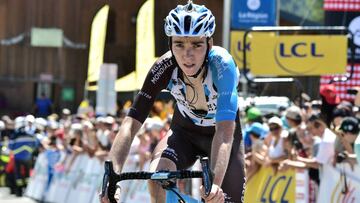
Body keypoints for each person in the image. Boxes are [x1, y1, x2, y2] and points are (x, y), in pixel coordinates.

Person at [101, 1, 245, 203]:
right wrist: (112, 175)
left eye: (196, 44)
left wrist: (215, 184)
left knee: (219, 199)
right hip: (184, 133)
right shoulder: (164, 67)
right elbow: (130, 124)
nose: (188, 55)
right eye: (179, 44)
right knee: (157, 178)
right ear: (170, 45)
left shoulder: (222, 65)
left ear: (209, 45)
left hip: (221, 136)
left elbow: (224, 131)